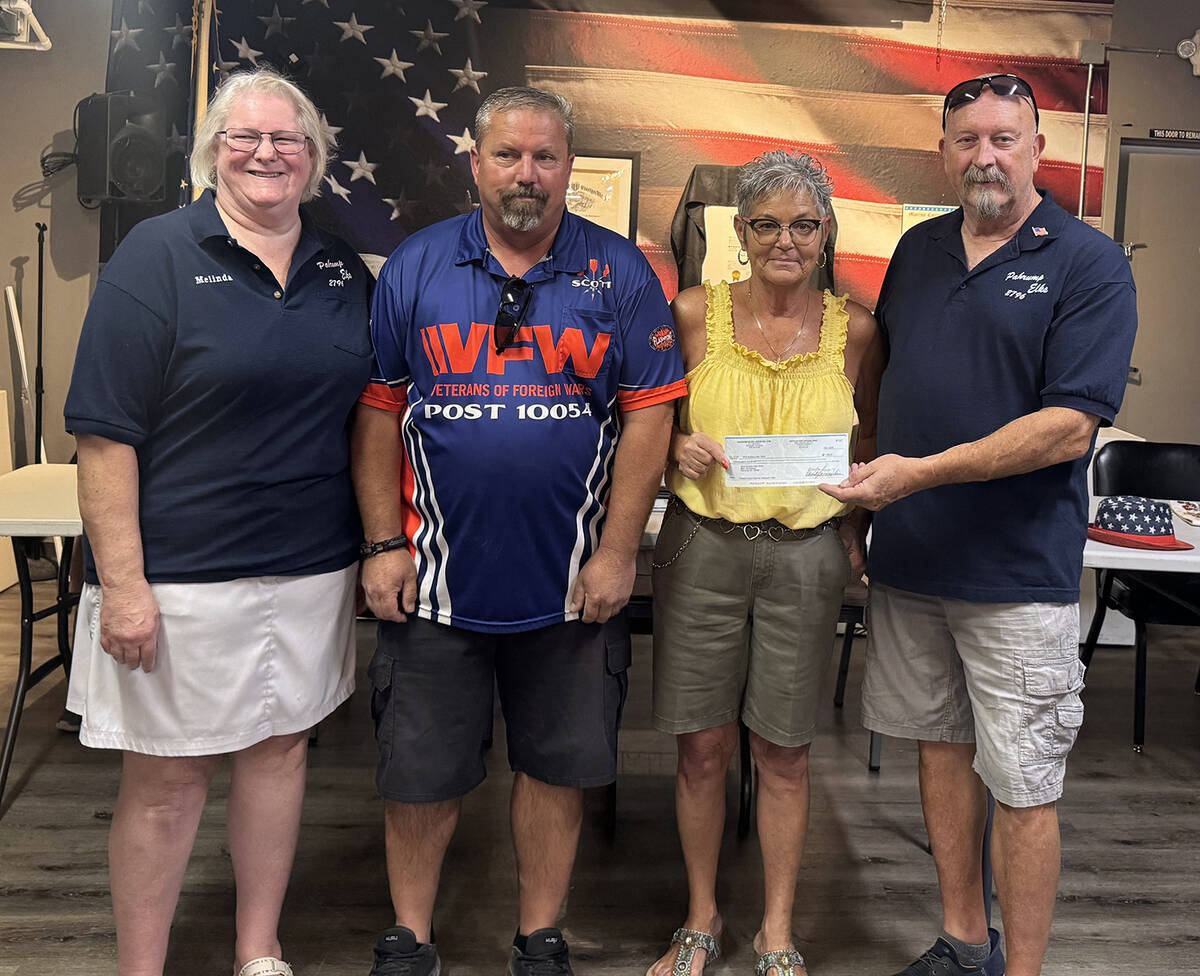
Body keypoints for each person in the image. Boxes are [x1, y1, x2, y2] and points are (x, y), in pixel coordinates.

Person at [352, 86, 686, 976]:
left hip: (572, 585)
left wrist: (617, 553)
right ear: (475, 163)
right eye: (507, 154)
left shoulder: (620, 271)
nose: (526, 173)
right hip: (434, 580)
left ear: (570, 167)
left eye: (545, 156)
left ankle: (540, 937)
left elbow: (650, 416)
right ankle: (411, 938)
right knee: (420, 772)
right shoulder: (417, 266)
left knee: (556, 768)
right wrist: (382, 545)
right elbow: (379, 410)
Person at [822, 74, 1138, 976]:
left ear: (1038, 148)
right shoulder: (917, 250)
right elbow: (882, 383)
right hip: (913, 565)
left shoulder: (1088, 263)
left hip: (1016, 577)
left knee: (1025, 783)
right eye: (967, 140)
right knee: (940, 751)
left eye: (1003, 139)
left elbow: (1067, 427)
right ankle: (965, 942)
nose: (985, 157)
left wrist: (917, 474)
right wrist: (866, 501)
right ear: (944, 153)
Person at [63, 68, 370, 976]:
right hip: (181, 576)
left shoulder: (340, 267)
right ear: (212, 152)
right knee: (168, 779)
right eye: (245, 137)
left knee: (280, 757)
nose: (266, 153)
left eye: (287, 139)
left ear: (313, 157)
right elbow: (103, 437)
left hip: (310, 568)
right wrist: (124, 586)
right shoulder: (155, 256)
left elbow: (369, 418)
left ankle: (258, 950)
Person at [647, 150, 883, 976]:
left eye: (804, 224)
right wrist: (674, 447)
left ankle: (776, 927)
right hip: (702, 548)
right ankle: (701, 916)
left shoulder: (857, 331)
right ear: (741, 232)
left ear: (826, 232)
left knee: (784, 750)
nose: (787, 240)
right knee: (702, 747)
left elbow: (868, 436)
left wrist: (855, 522)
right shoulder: (690, 314)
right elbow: (646, 419)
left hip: (805, 557)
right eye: (768, 224)